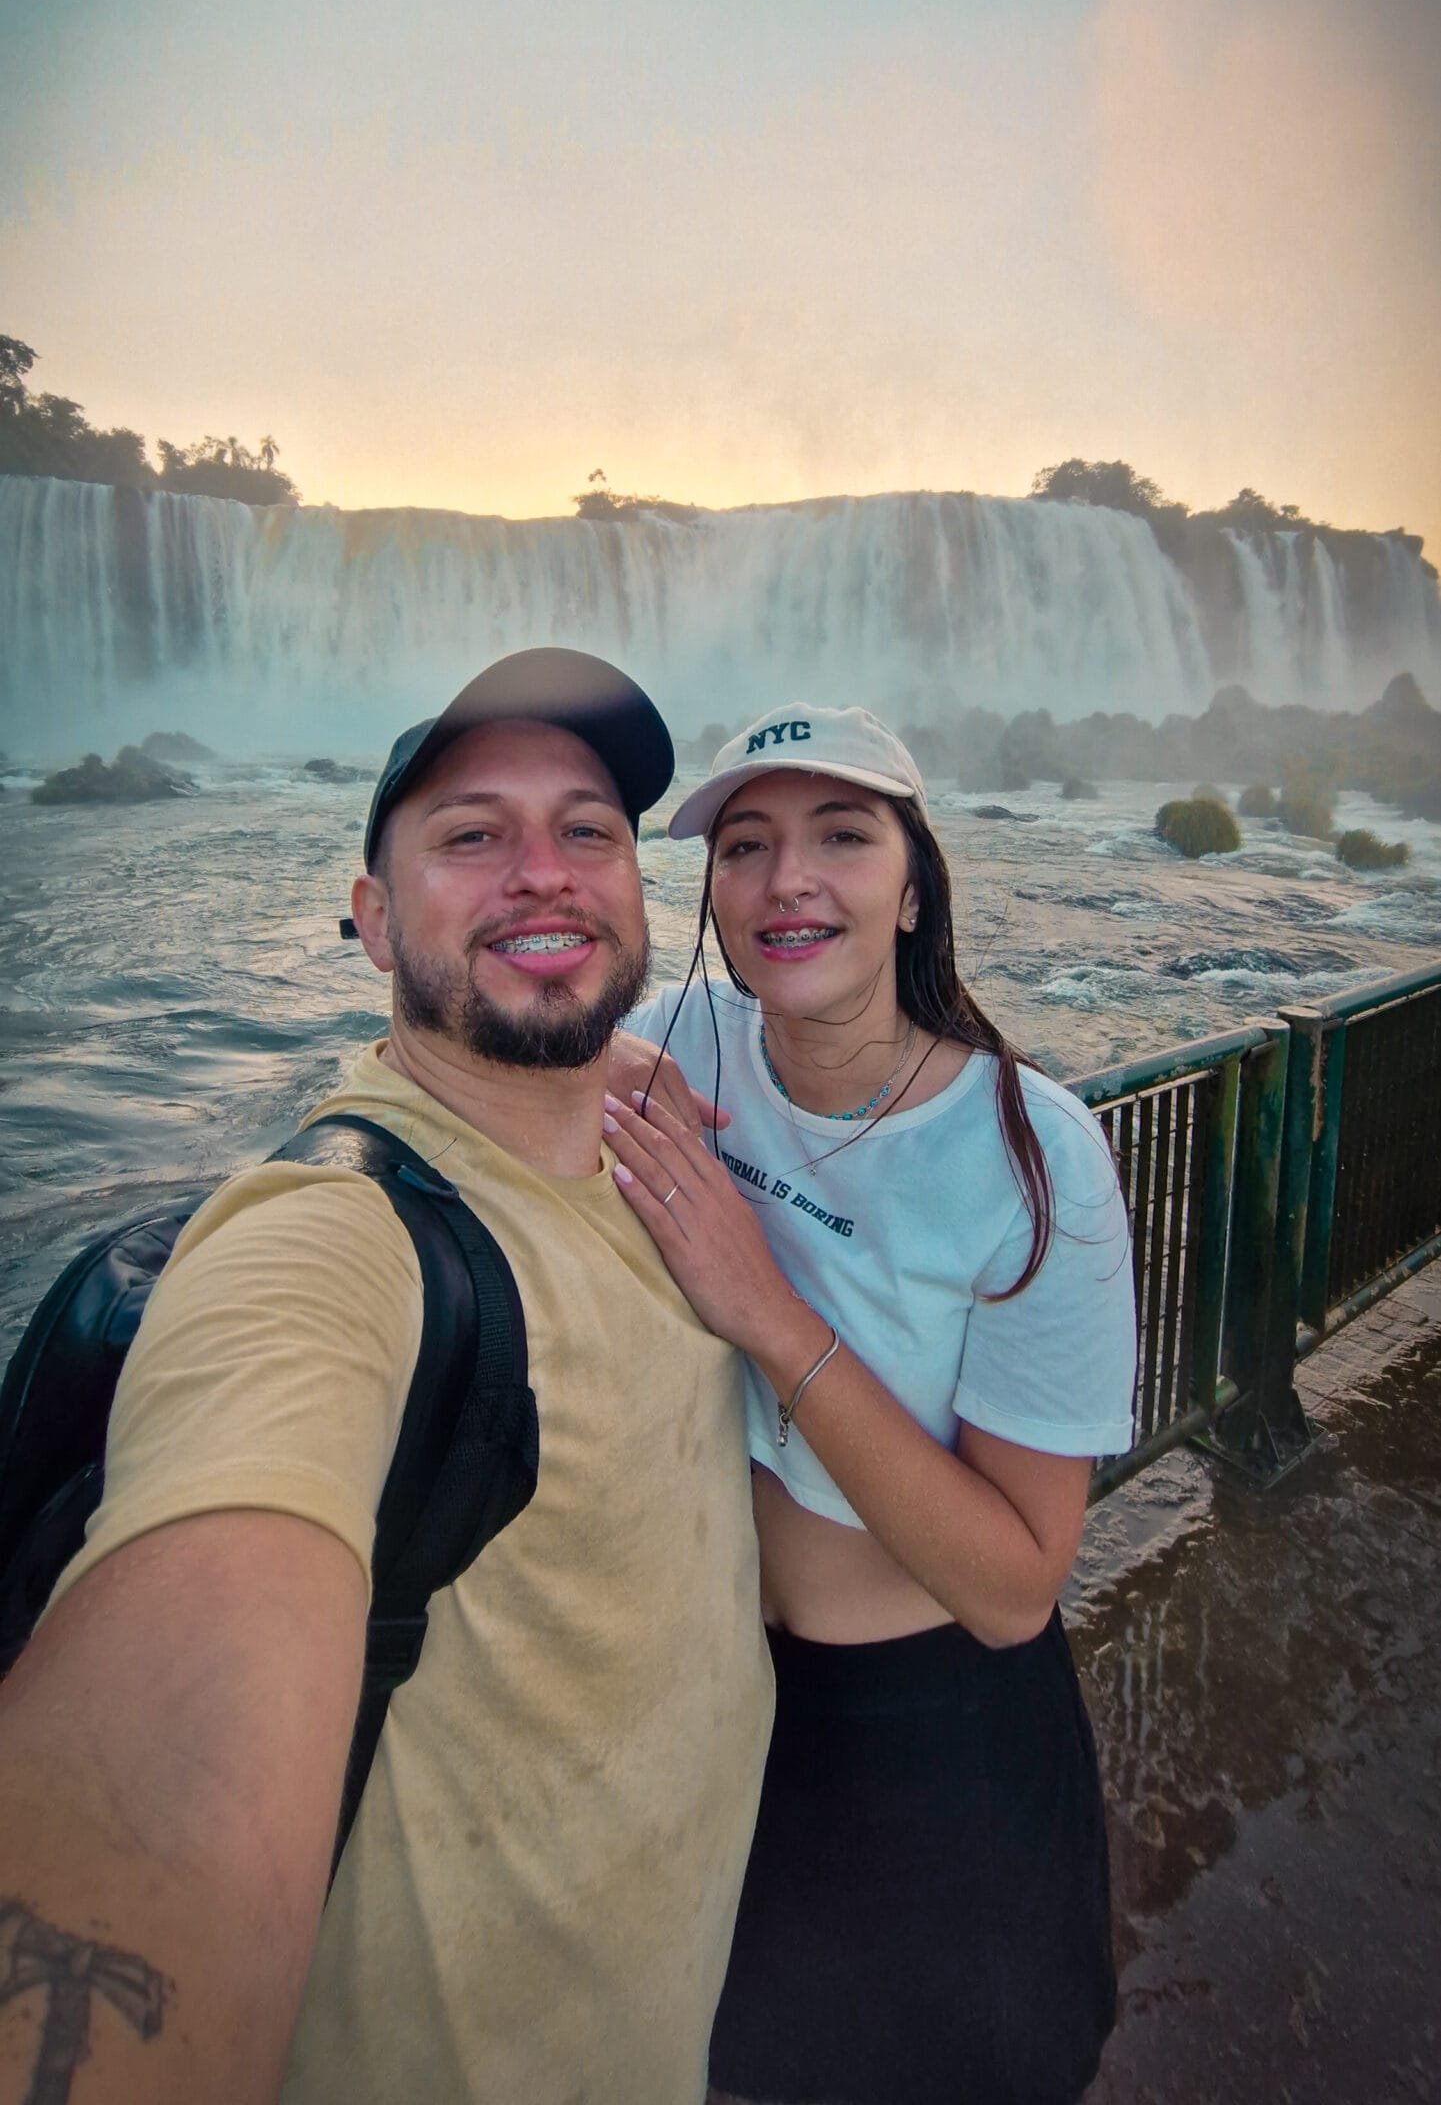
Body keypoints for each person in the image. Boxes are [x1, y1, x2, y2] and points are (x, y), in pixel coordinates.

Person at [0, 649, 772, 2105]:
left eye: (587, 830)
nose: (543, 871)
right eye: (472, 836)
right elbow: (151, 1786)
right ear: (370, 921)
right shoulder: (331, 1245)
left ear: (636, 891)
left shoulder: (656, 1162)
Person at [606, 702, 1138, 2105]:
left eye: (841, 837)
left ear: (913, 890)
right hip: (717, 1692)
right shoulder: (675, 1040)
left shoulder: (1031, 1158)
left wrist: (767, 1310)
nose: (787, 880)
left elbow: (1013, 1589)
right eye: (745, 846)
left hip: (933, 1735)